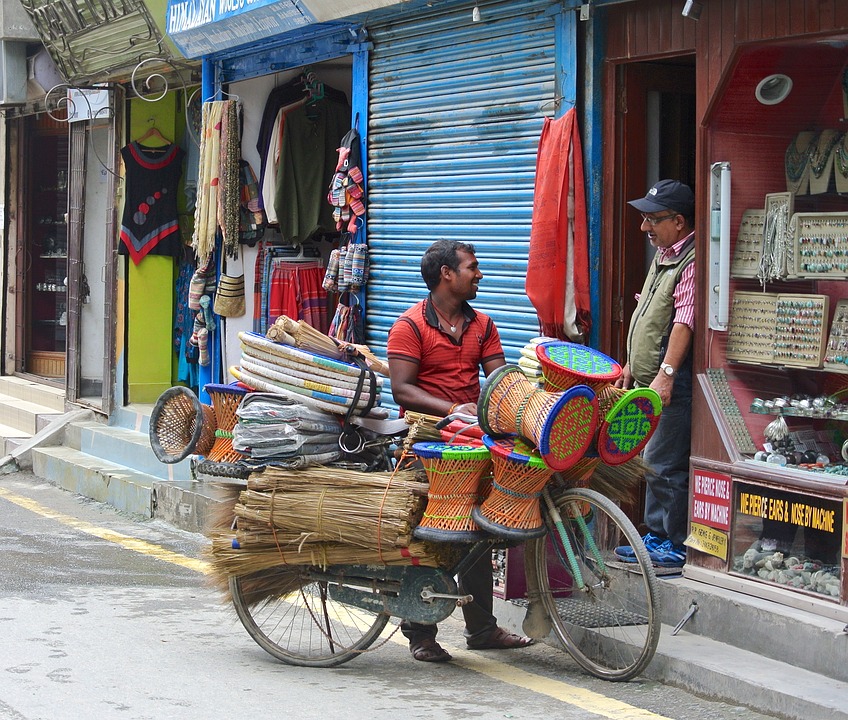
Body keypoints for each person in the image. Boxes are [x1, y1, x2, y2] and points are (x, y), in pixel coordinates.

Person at [387, 239, 533, 662]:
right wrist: (452, 408)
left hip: (471, 441)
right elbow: (402, 389)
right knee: (437, 535)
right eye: (472, 267)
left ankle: (482, 629)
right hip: (427, 443)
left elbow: (500, 377)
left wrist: (527, 403)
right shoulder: (409, 326)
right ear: (446, 274)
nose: (480, 274)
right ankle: (420, 631)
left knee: (480, 533)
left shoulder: (483, 324)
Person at [613, 180, 696, 569]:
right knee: (650, 460)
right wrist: (631, 364)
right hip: (647, 379)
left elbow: (684, 323)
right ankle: (657, 535)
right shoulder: (664, 255)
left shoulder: (691, 261)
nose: (644, 228)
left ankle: (675, 543)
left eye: (653, 219)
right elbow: (648, 314)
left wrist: (665, 374)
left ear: (679, 221)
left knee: (664, 463)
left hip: (670, 384)